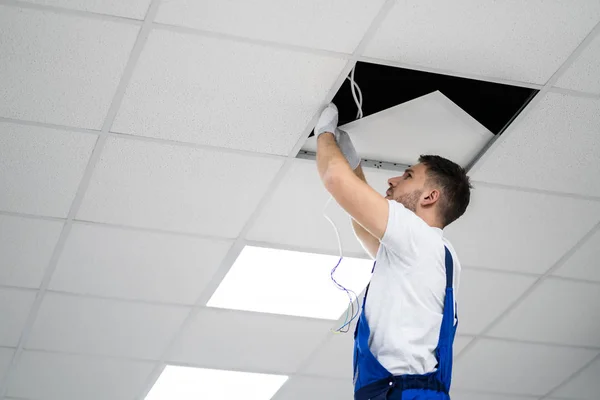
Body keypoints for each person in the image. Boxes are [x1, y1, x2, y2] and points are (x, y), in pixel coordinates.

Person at [314, 103, 472, 400]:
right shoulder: (425, 251)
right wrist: (352, 162)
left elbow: (335, 180)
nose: (392, 180)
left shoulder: (420, 239)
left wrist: (323, 134)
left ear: (430, 196)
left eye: (407, 176)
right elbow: (364, 225)